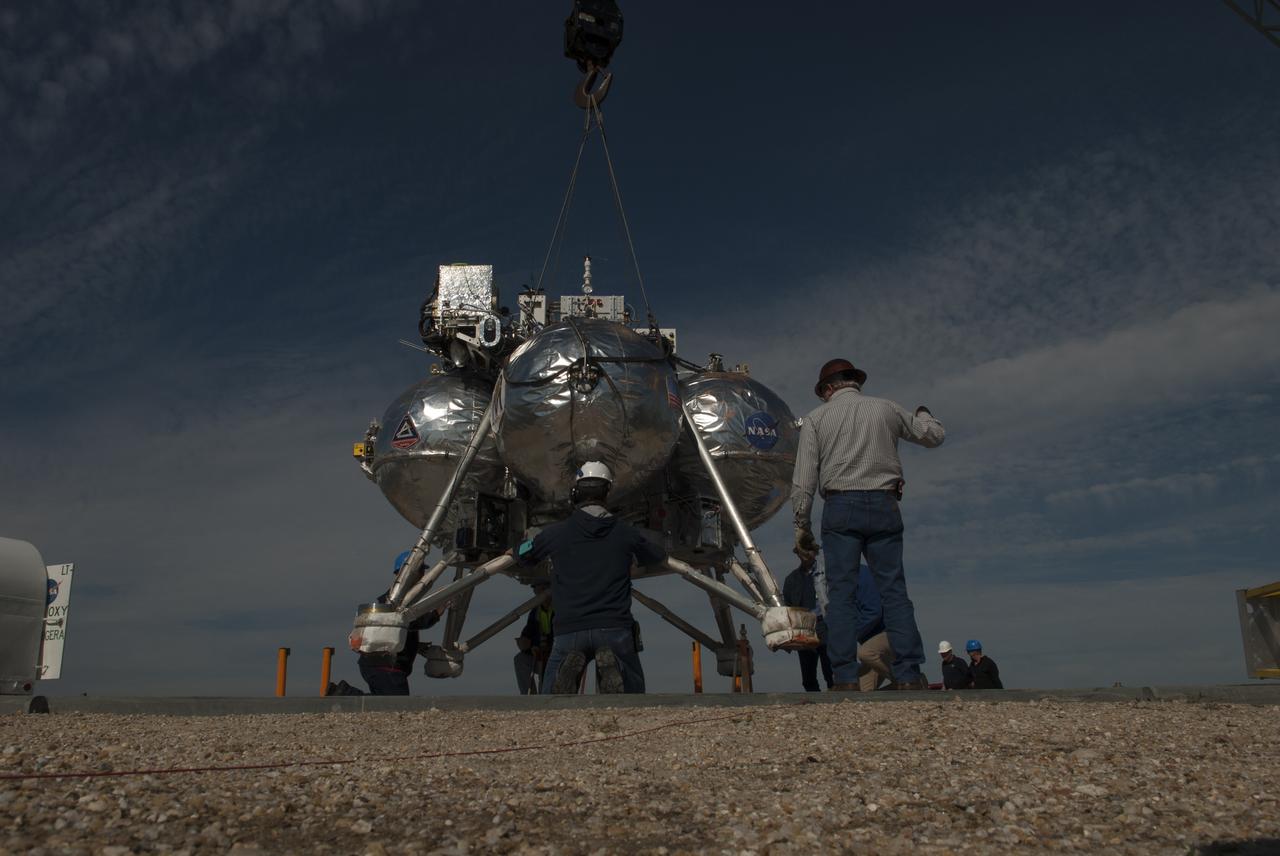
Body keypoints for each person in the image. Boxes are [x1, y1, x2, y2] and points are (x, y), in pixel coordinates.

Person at [792, 357, 945, 691]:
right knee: (894, 592)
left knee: (841, 595)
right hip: (883, 503)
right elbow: (934, 436)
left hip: (840, 505)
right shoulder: (886, 409)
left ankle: (844, 678)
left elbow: (803, 479)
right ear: (855, 382)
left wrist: (801, 525)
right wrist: (923, 414)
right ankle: (908, 675)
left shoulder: (817, 419)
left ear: (828, 388)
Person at [512, 461, 666, 693]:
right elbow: (657, 555)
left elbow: (523, 554)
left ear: (575, 493)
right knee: (635, 694)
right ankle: (619, 673)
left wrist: (514, 550)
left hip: (569, 630)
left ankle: (561, 685)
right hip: (615, 627)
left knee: (547, 700)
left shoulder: (555, 533)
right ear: (607, 493)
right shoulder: (626, 533)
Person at [356, 551, 444, 696]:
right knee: (395, 705)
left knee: (382, 706)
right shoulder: (395, 602)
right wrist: (437, 613)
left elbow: (395, 631)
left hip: (380, 666)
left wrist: (414, 645)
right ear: (408, 572)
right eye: (421, 570)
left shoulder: (393, 600)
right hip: (386, 667)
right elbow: (410, 620)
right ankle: (339, 694)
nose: (423, 575)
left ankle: (339, 694)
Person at [782, 556, 833, 691]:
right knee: (808, 674)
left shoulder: (827, 572)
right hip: (804, 627)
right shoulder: (792, 579)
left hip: (824, 623)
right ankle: (814, 705)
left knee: (830, 669)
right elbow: (787, 604)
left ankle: (836, 699)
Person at [852, 563, 894, 692]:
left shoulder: (862, 574)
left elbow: (874, 611)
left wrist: (851, 636)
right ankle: (904, 684)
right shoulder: (839, 581)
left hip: (888, 634)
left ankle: (907, 679)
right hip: (870, 642)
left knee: (865, 653)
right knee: (862, 692)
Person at [514, 583, 555, 694]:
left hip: (555, 655)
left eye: (540, 591)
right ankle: (530, 697)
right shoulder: (535, 612)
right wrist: (525, 643)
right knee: (520, 660)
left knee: (545, 665)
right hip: (539, 654)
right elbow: (528, 632)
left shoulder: (559, 610)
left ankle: (546, 696)